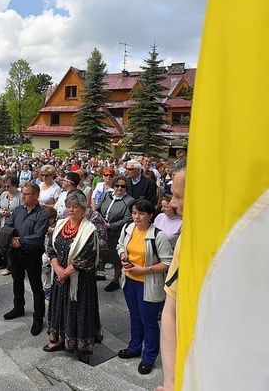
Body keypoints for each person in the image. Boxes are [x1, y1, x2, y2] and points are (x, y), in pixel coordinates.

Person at [116, 199, 174, 375]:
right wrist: (124, 257)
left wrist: (145, 269)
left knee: (148, 320)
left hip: (148, 283)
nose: (137, 216)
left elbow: (168, 262)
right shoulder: (128, 229)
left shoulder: (158, 235)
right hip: (130, 281)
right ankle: (134, 347)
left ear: (150, 215)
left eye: (141, 213)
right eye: (134, 213)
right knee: (135, 317)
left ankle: (149, 356)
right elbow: (120, 246)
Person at [43, 192, 101, 364]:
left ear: (83, 209)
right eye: (69, 206)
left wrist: (65, 272)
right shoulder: (61, 224)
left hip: (80, 281)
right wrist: (56, 267)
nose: (71, 210)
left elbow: (87, 256)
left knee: (80, 311)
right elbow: (50, 247)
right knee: (60, 308)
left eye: (75, 207)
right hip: (60, 277)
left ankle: (83, 347)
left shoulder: (89, 229)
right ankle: (59, 339)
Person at [4, 182, 49, 337]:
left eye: (26, 194)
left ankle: (38, 317)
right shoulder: (18, 210)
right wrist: (9, 239)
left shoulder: (42, 214)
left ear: (35, 195)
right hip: (16, 253)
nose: (23, 196)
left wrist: (20, 241)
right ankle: (18, 307)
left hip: (32, 255)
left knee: (36, 286)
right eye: (22, 193)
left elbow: (38, 237)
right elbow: (8, 225)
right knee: (17, 281)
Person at [157, 166, 185, 391]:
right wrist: (171, 384)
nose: (172, 203)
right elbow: (170, 312)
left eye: (177, 196)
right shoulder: (187, 241)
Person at [98, 176, 135, 292]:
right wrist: (99, 220)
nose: (119, 188)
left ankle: (115, 280)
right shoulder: (107, 195)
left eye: (123, 186)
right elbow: (99, 208)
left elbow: (127, 219)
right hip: (103, 230)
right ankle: (100, 272)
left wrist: (111, 225)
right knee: (102, 253)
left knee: (116, 257)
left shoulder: (129, 200)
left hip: (116, 232)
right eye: (117, 186)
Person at [0, 175, 23, 273]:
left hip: (15, 226)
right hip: (3, 223)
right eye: (5, 186)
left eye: (8, 186)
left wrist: (12, 214)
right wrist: (1, 212)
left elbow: (23, 210)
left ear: (14, 185)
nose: (6, 188)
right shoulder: (3, 195)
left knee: (12, 246)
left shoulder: (20, 196)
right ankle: (8, 264)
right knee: (4, 245)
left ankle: (11, 267)